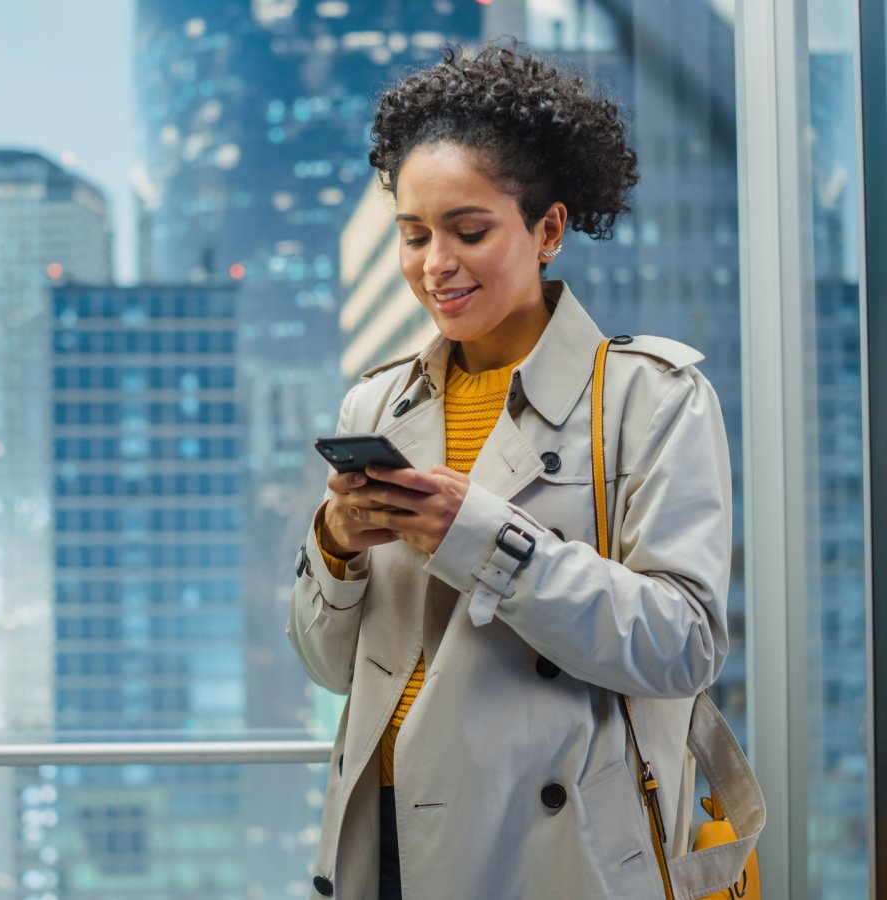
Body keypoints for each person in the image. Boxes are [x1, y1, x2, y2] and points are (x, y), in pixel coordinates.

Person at [287, 44, 733, 899]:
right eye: (414, 236)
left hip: (544, 851)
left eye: (469, 230)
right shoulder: (375, 409)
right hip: (380, 838)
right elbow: (325, 661)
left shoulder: (650, 398)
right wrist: (337, 544)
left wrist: (485, 537)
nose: (434, 264)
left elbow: (685, 645)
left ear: (549, 229)